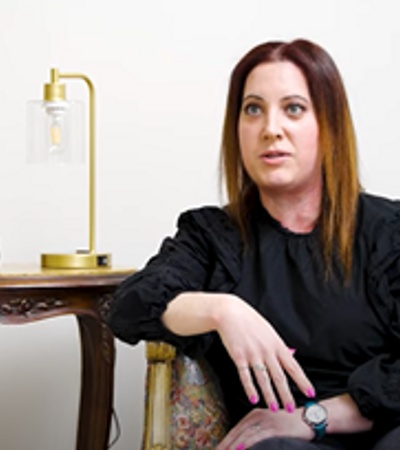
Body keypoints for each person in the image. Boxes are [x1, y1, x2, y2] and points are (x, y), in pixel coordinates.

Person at [107, 38, 400, 449]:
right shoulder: (214, 236)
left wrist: (313, 418)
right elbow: (128, 307)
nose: (270, 129)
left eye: (293, 108)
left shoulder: (388, 231)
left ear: (328, 126)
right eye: (253, 109)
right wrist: (223, 309)